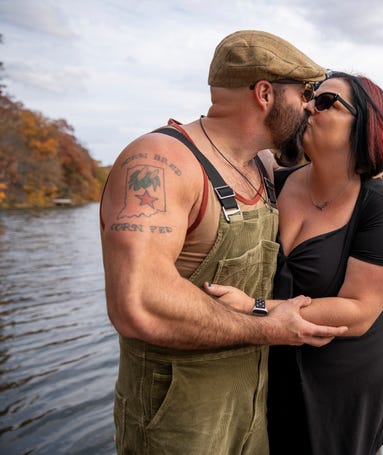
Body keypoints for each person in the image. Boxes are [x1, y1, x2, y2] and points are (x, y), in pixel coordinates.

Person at [99, 30, 348, 454]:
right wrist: (269, 327)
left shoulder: (263, 167)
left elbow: (321, 182)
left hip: (250, 416)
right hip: (176, 425)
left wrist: (365, 184)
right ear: (265, 93)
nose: (311, 105)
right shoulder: (161, 161)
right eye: (305, 92)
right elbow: (138, 301)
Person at [206, 72, 383, 454]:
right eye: (309, 98)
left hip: (345, 389)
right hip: (273, 376)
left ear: (365, 126)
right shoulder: (273, 183)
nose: (308, 107)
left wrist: (253, 308)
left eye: (325, 103)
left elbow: (358, 312)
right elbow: (229, 141)